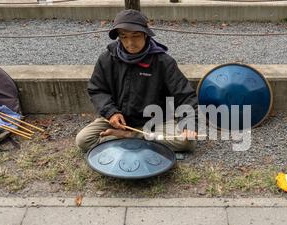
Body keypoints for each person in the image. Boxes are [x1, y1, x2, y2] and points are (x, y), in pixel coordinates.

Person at [76, 9, 198, 152]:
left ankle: (128, 136)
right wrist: (111, 112)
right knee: (83, 140)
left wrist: (189, 124)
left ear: (146, 34)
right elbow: (97, 89)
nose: (130, 43)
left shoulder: (163, 62)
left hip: (156, 122)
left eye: (136, 35)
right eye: (124, 36)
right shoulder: (107, 59)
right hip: (121, 122)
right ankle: (136, 137)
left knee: (186, 143)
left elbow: (185, 95)